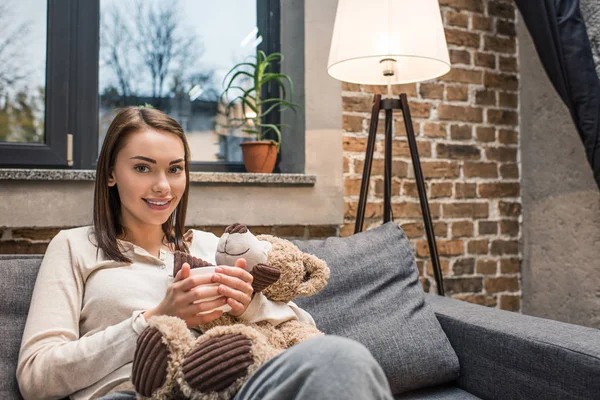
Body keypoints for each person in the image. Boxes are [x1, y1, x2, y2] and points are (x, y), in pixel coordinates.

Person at [16, 106, 393, 400]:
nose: (162, 186)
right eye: (143, 168)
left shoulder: (212, 246)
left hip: (238, 386)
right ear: (111, 173)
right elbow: (36, 376)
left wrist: (247, 304)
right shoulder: (74, 246)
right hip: (135, 392)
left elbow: (306, 332)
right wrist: (154, 318)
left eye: (175, 169)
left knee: (345, 358)